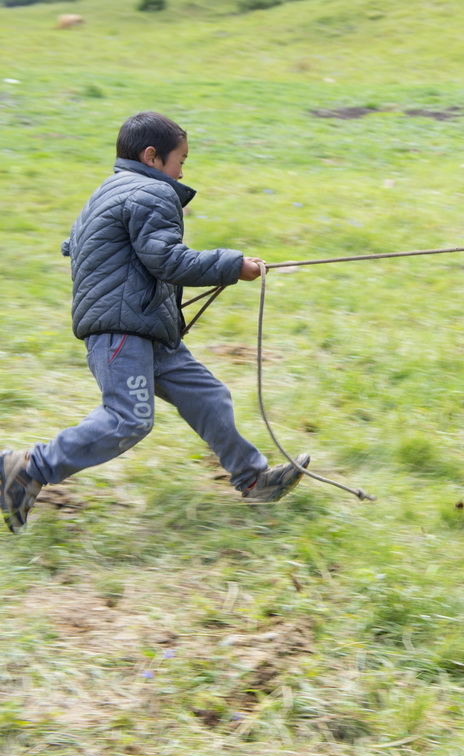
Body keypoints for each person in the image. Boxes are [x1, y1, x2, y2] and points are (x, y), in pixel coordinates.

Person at [1, 111, 310, 532]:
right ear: (152, 157)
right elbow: (167, 259)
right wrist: (234, 265)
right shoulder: (151, 193)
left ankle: (254, 478)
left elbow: (94, 250)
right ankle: (26, 468)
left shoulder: (107, 191)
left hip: (145, 327)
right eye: (180, 159)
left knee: (208, 396)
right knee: (129, 418)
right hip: (123, 331)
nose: (183, 169)